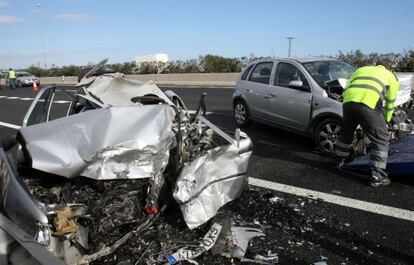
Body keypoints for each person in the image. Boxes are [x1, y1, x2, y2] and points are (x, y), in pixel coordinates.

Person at [335, 65, 399, 187]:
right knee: (381, 138)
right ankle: (377, 176)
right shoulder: (391, 76)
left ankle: (339, 161)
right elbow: (390, 102)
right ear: (389, 69)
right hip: (368, 104)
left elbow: (346, 88)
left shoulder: (360, 70)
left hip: (348, 102)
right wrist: (387, 119)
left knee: (346, 133)